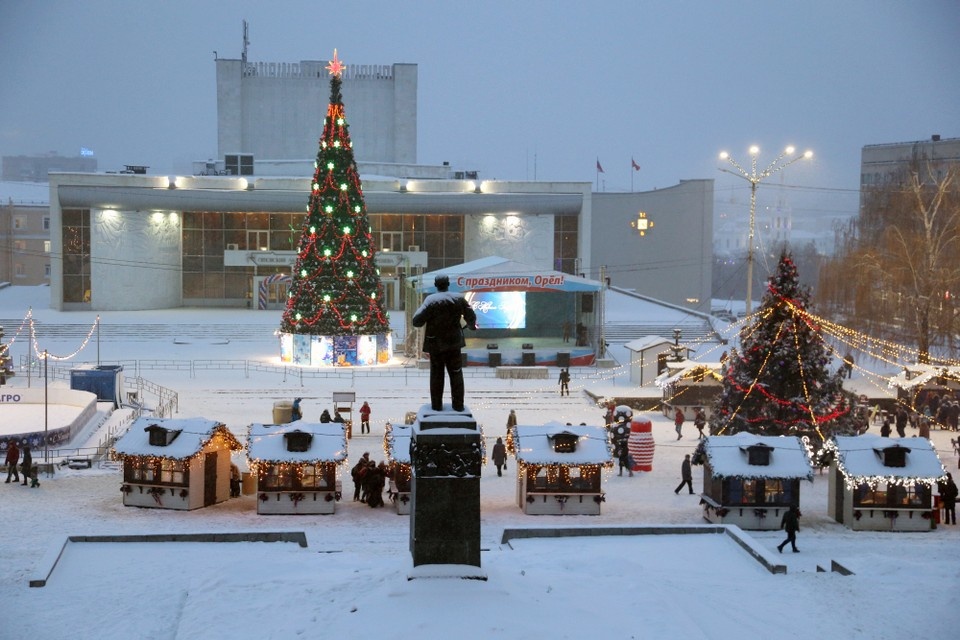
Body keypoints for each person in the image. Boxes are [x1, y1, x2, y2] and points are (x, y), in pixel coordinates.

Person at [411, 274, 477, 412]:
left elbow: (417, 321)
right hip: (454, 344)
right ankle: (458, 406)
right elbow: (471, 316)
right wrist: (470, 325)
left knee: (436, 376)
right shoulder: (458, 299)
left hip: (436, 346)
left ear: (436, 285)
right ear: (448, 284)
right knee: (456, 374)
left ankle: (436, 406)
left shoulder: (431, 301)